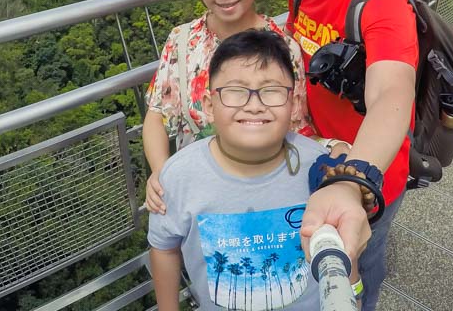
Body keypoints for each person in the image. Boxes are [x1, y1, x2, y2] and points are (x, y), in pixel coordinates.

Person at [280, 0, 418, 311]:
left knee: (363, 264)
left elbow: (390, 96)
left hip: (368, 170)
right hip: (321, 154)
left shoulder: (383, 3)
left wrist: (351, 180)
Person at [148, 30, 345, 311]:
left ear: (293, 102)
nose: (254, 105)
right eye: (236, 91)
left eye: (271, 91)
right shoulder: (180, 176)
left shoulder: (319, 166)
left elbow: (339, 246)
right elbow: (164, 248)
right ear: (209, 105)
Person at [143, 0, 309, 215]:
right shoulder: (182, 42)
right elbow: (157, 115)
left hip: (265, 202)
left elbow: (296, 132)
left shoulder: (283, 49)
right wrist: (162, 174)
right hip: (194, 199)